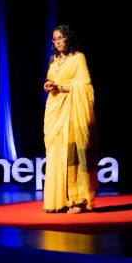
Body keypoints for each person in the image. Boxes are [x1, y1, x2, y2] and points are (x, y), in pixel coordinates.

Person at [43, 24, 99, 214]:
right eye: (54, 39)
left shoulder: (78, 58)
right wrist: (49, 86)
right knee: (56, 153)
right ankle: (59, 199)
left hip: (73, 110)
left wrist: (61, 87)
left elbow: (85, 85)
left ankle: (79, 200)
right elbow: (52, 81)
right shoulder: (53, 60)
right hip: (55, 109)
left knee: (73, 152)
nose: (57, 42)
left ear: (68, 38)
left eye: (60, 38)